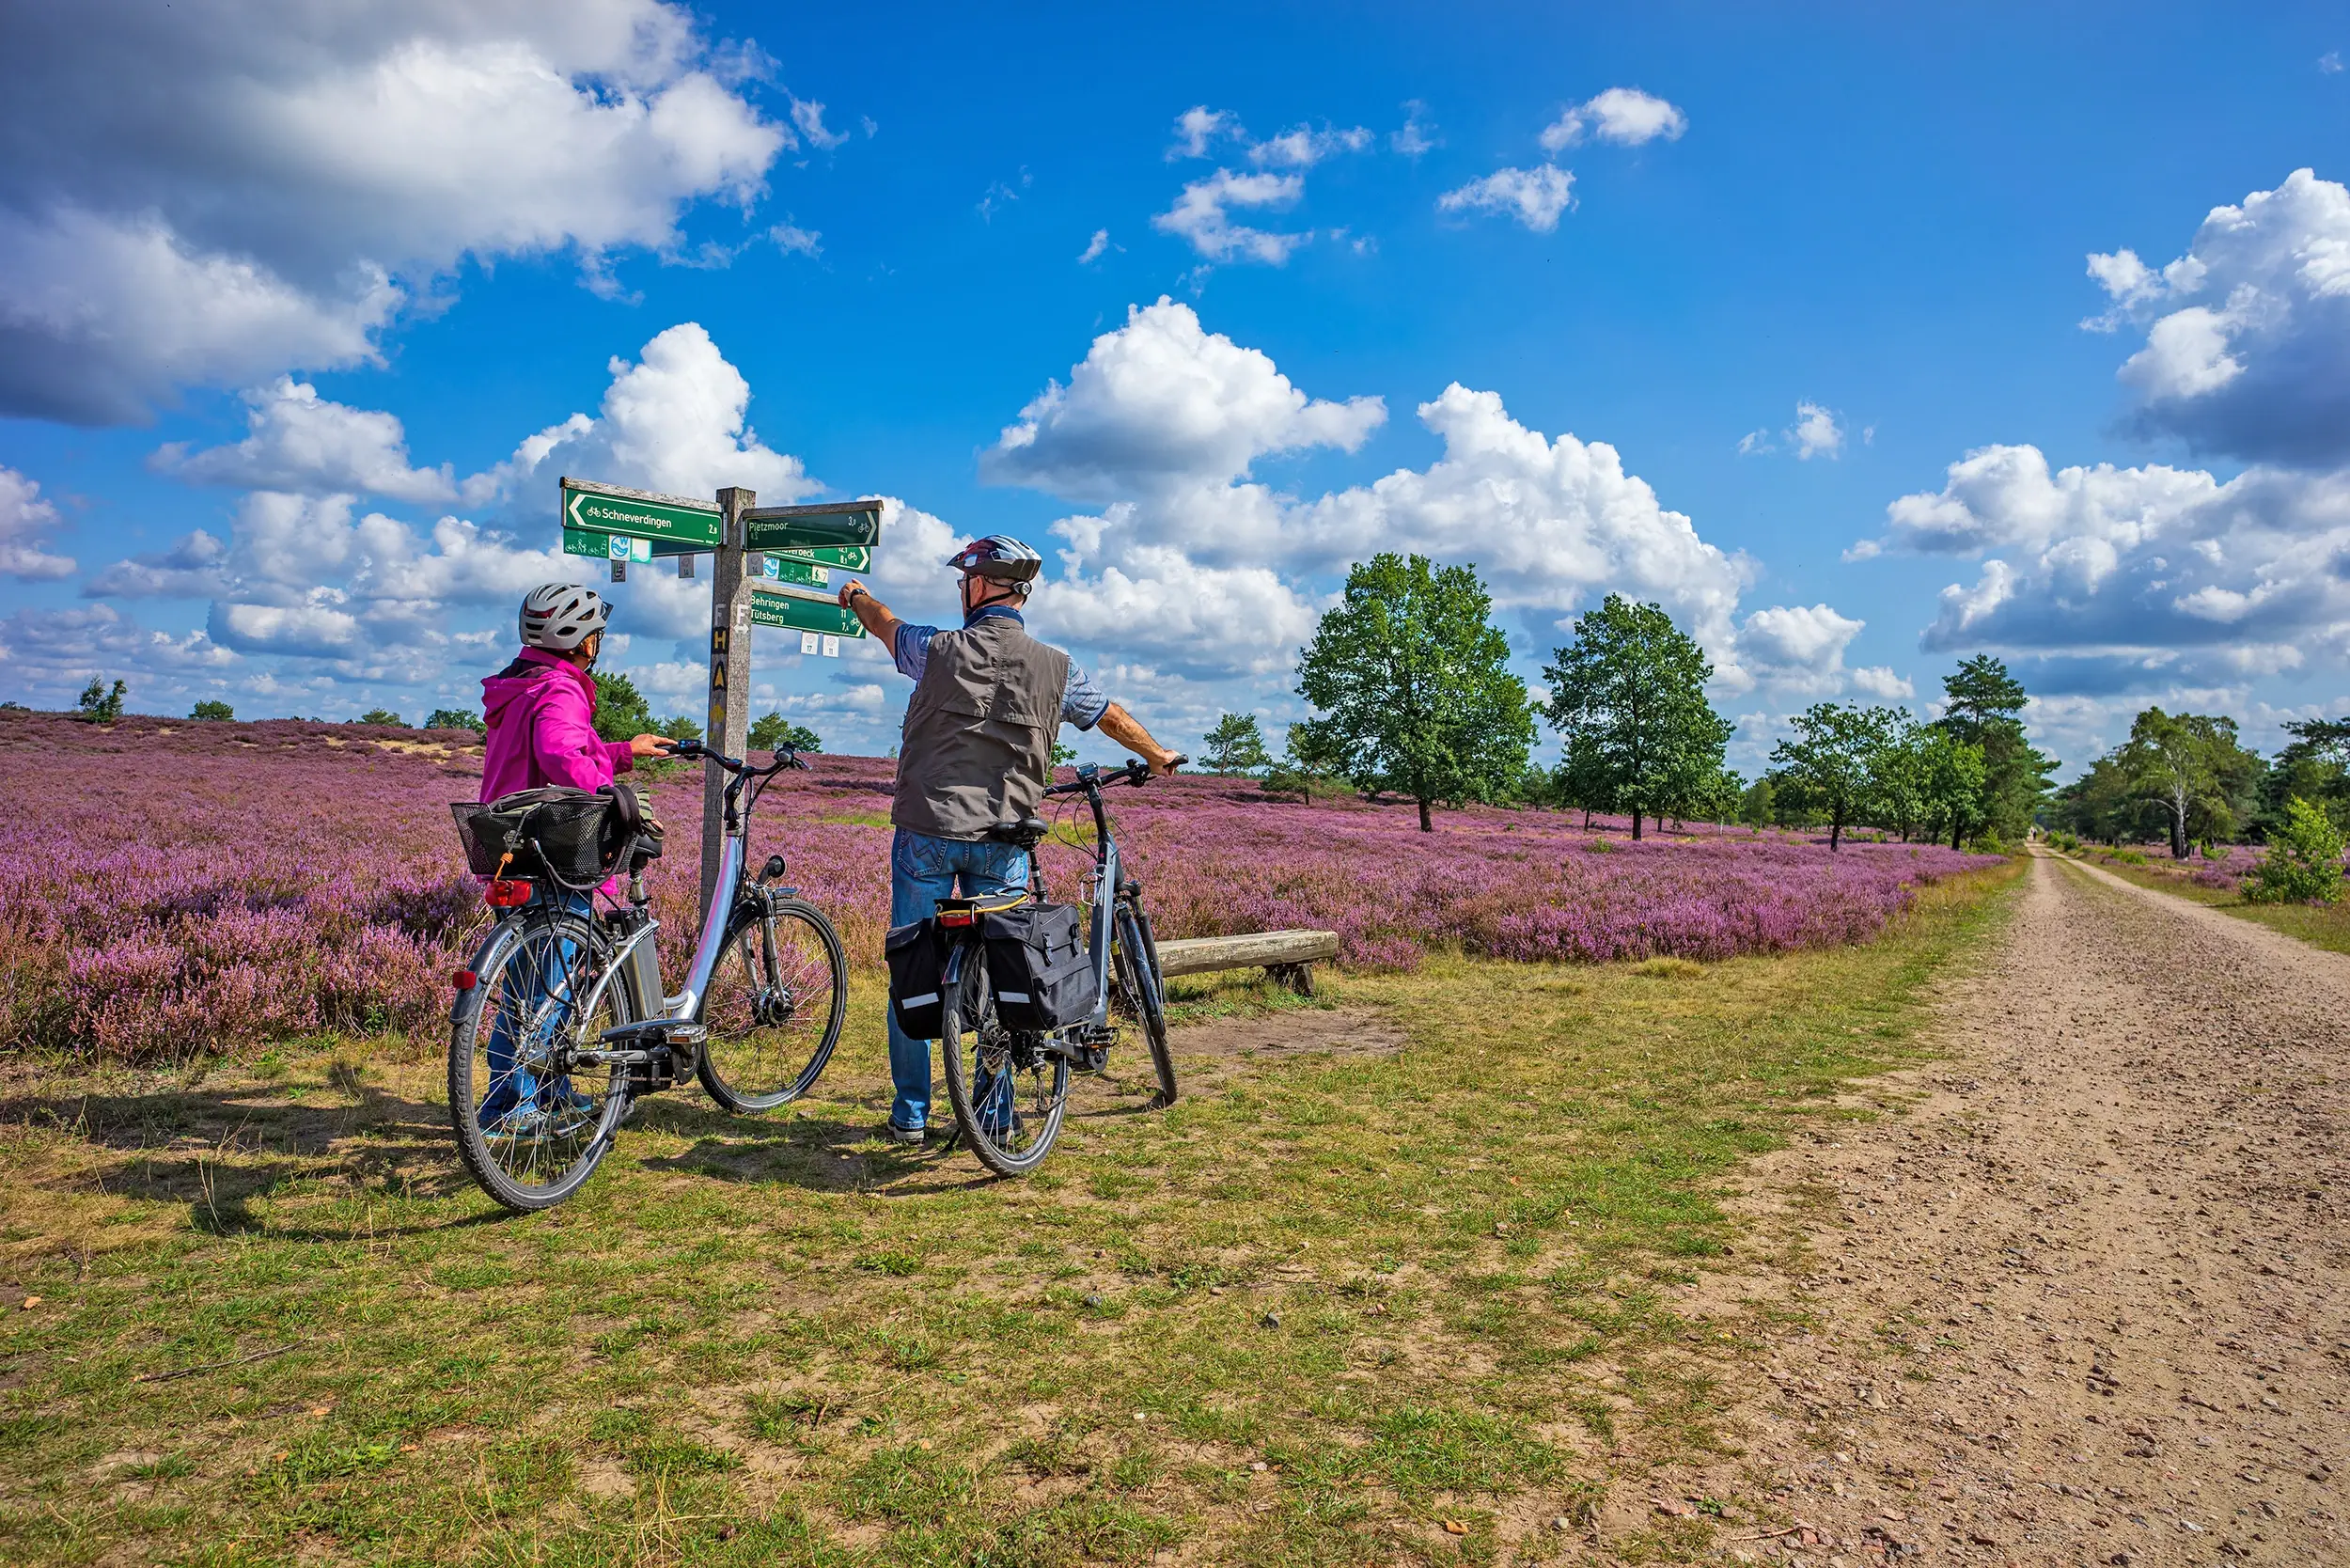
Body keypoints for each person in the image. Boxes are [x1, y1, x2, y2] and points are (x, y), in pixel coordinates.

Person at [838, 536, 1182, 1145]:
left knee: (915, 967)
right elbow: (1109, 715)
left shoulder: (938, 648)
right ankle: (994, 1115)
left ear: (976, 587)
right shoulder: (1059, 667)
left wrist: (858, 594)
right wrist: (1156, 754)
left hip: (929, 832)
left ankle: (912, 1114)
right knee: (1004, 965)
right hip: (1003, 838)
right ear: (1020, 593)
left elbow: (885, 626)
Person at [470, 584, 674, 1134]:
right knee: (551, 987)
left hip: (511, 847)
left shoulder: (524, 685)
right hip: (555, 846)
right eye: (595, 633)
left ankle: (537, 1096)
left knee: (524, 986)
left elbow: (562, 750)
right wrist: (614, 798)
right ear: (579, 639)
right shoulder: (560, 688)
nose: (599, 641)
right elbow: (561, 755)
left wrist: (626, 753)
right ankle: (518, 1108)